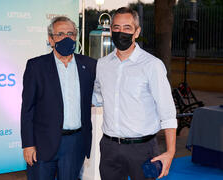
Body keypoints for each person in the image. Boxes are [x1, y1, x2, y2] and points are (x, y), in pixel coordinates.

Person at [93, 7, 177, 180]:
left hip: (143, 149)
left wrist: (170, 152)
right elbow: (99, 97)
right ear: (111, 30)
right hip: (109, 148)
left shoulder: (151, 65)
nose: (120, 32)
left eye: (127, 28)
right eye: (116, 27)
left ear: (137, 32)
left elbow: (167, 112)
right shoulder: (102, 65)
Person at [21, 16, 97, 180]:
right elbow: (27, 110)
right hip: (42, 143)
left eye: (70, 33)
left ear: (76, 36)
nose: (66, 38)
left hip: (75, 143)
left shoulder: (90, 65)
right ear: (50, 39)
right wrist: (28, 144)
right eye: (60, 34)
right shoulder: (36, 66)